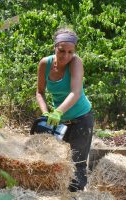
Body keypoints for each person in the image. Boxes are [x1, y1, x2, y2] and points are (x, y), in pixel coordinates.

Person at [36, 26, 94, 192]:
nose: (66, 56)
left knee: (77, 164)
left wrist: (58, 111)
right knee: (58, 162)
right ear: (54, 47)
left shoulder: (76, 62)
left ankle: (75, 195)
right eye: (62, 51)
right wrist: (46, 112)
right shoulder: (45, 64)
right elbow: (39, 92)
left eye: (70, 52)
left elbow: (75, 93)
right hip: (59, 121)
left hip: (82, 118)